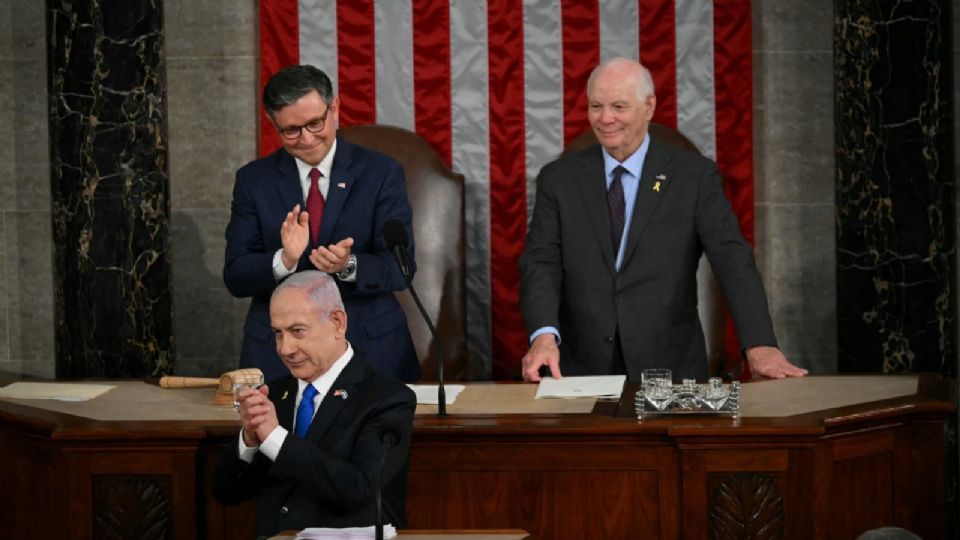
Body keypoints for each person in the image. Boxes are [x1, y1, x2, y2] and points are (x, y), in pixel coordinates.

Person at [519, 57, 808, 382]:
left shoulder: (693, 177)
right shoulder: (559, 179)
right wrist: (543, 335)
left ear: (649, 106)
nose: (605, 118)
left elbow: (732, 260)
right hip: (579, 369)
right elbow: (540, 263)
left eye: (618, 106)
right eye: (596, 106)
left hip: (670, 369)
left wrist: (760, 343)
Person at [224, 64, 421, 383]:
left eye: (316, 123)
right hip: (279, 358)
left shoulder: (381, 173)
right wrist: (283, 261)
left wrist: (348, 264)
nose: (306, 139)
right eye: (292, 130)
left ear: (335, 108)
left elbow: (400, 269)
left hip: (369, 347)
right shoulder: (254, 181)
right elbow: (235, 276)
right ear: (274, 125)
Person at [213, 270, 416, 537]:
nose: (285, 348)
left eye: (297, 331)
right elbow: (226, 493)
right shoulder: (273, 394)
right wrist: (249, 441)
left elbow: (359, 491)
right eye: (278, 333)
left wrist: (275, 438)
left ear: (337, 323)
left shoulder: (387, 398)